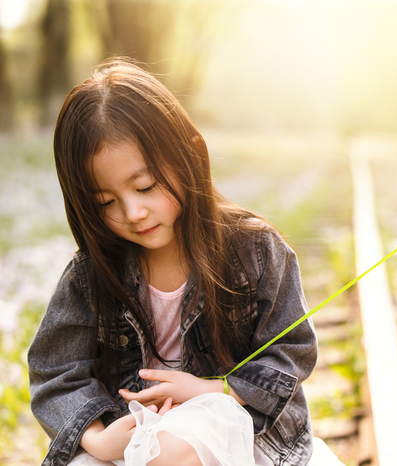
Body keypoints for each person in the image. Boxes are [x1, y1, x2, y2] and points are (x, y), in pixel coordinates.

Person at [28, 58, 342, 466]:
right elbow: (55, 373)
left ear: (189, 155)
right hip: (134, 433)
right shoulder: (91, 276)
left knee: (170, 452)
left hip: (237, 424)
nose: (133, 212)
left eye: (145, 186)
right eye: (105, 202)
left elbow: (292, 349)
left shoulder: (256, 250)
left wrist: (213, 390)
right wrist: (99, 440)